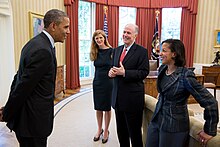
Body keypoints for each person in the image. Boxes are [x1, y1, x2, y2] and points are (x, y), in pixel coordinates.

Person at [0, 9, 70, 147]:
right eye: (66, 27)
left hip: (29, 120)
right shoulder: (42, 50)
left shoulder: (35, 43)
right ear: (54, 26)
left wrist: (9, 108)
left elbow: (18, 79)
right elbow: (22, 87)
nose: (68, 32)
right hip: (32, 122)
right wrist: (8, 112)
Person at [145, 39, 219, 147]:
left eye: (164, 51)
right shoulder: (162, 69)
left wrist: (209, 130)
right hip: (157, 120)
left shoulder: (186, 76)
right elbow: (162, 93)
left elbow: (210, 102)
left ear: (174, 54)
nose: (160, 53)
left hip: (174, 125)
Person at [108, 24, 149, 147]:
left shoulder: (142, 51)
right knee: (121, 133)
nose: (125, 35)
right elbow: (113, 67)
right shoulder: (116, 50)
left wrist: (125, 73)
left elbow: (143, 72)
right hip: (118, 99)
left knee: (135, 134)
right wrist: (111, 73)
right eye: (124, 32)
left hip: (132, 100)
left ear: (135, 36)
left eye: (129, 33)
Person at [90, 30, 113, 144]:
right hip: (97, 82)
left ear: (104, 38)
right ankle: (99, 129)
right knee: (98, 107)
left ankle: (106, 130)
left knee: (107, 108)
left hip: (108, 82)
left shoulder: (112, 51)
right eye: (96, 39)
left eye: (100, 38)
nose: (99, 40)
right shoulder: (95, 52)